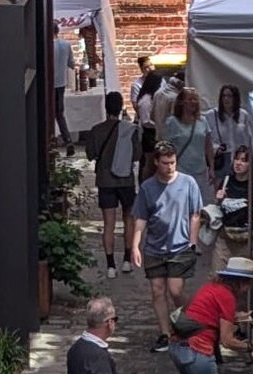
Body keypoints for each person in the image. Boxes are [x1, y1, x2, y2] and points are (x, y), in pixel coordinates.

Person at [131, 141, 202, 353]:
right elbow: (141, 218)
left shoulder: (188, 183)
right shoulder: (147, 188)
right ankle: (165, 333)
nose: (170, 167)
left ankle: (188, 322)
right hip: (154, 247)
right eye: (165, 163)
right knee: (157, 290)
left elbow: (195, 214)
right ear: (156, 163)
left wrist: (193, 242)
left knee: (176, 289)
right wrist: (135, 246)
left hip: (180, 246)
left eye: (172, 162)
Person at [86, 92, 141, 277]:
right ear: (120, 108)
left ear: (105, 107)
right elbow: (137, 155)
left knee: (108, 223)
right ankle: (127, 260)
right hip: (125, 180)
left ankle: (110, 265)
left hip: (105, 181)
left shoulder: (96, 130)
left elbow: (90, 154)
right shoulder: (129, 129)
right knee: (129, 220)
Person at [164, 87, 215, 205]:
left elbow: (208, 145)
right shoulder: (172, 122)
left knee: (201, 204)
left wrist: (211, 167)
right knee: (181, 203)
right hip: (180, 170)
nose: (193, 102)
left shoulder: (202, 121)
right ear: (182, 102)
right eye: (190, 99)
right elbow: (167, 148)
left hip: (201, 170)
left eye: (195, 99)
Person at [212, 145, 253, 273]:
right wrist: (218, 199)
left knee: (240, 279)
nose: (239, 163)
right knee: (217, 274)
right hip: (225, 238)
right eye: (237, 159)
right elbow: (219, 207)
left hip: (246, 240)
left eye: (244, 160)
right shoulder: (226, 180)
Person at [206, 85, 253, 184]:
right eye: (224, 96)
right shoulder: (212, 115)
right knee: (220, 192)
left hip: (239, 159)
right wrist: (216, 148)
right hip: (222, 159)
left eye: (230, 96)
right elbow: (207, 140)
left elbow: (249, 138)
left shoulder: (243, 114)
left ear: (235, 98)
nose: (226, 99)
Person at [53, 24, 76, 157]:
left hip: (50, 83)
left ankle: (52, 143)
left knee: (49, 114)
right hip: (61, 83)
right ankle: (68, 140)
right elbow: (71, 64)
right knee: (60, 114)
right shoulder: (66, 45)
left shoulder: (48, 45)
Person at [136, 71, 163, 183]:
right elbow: (146, 121)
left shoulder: (152, 98)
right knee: (149, 163)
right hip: (149, 134)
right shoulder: (146, 101)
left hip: (152, 133)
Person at [152, 73, 184, 142]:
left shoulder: (157, 93)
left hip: (158, 135)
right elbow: (175, 121)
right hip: (171, 138)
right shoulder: (175, 98)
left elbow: (152, 115)